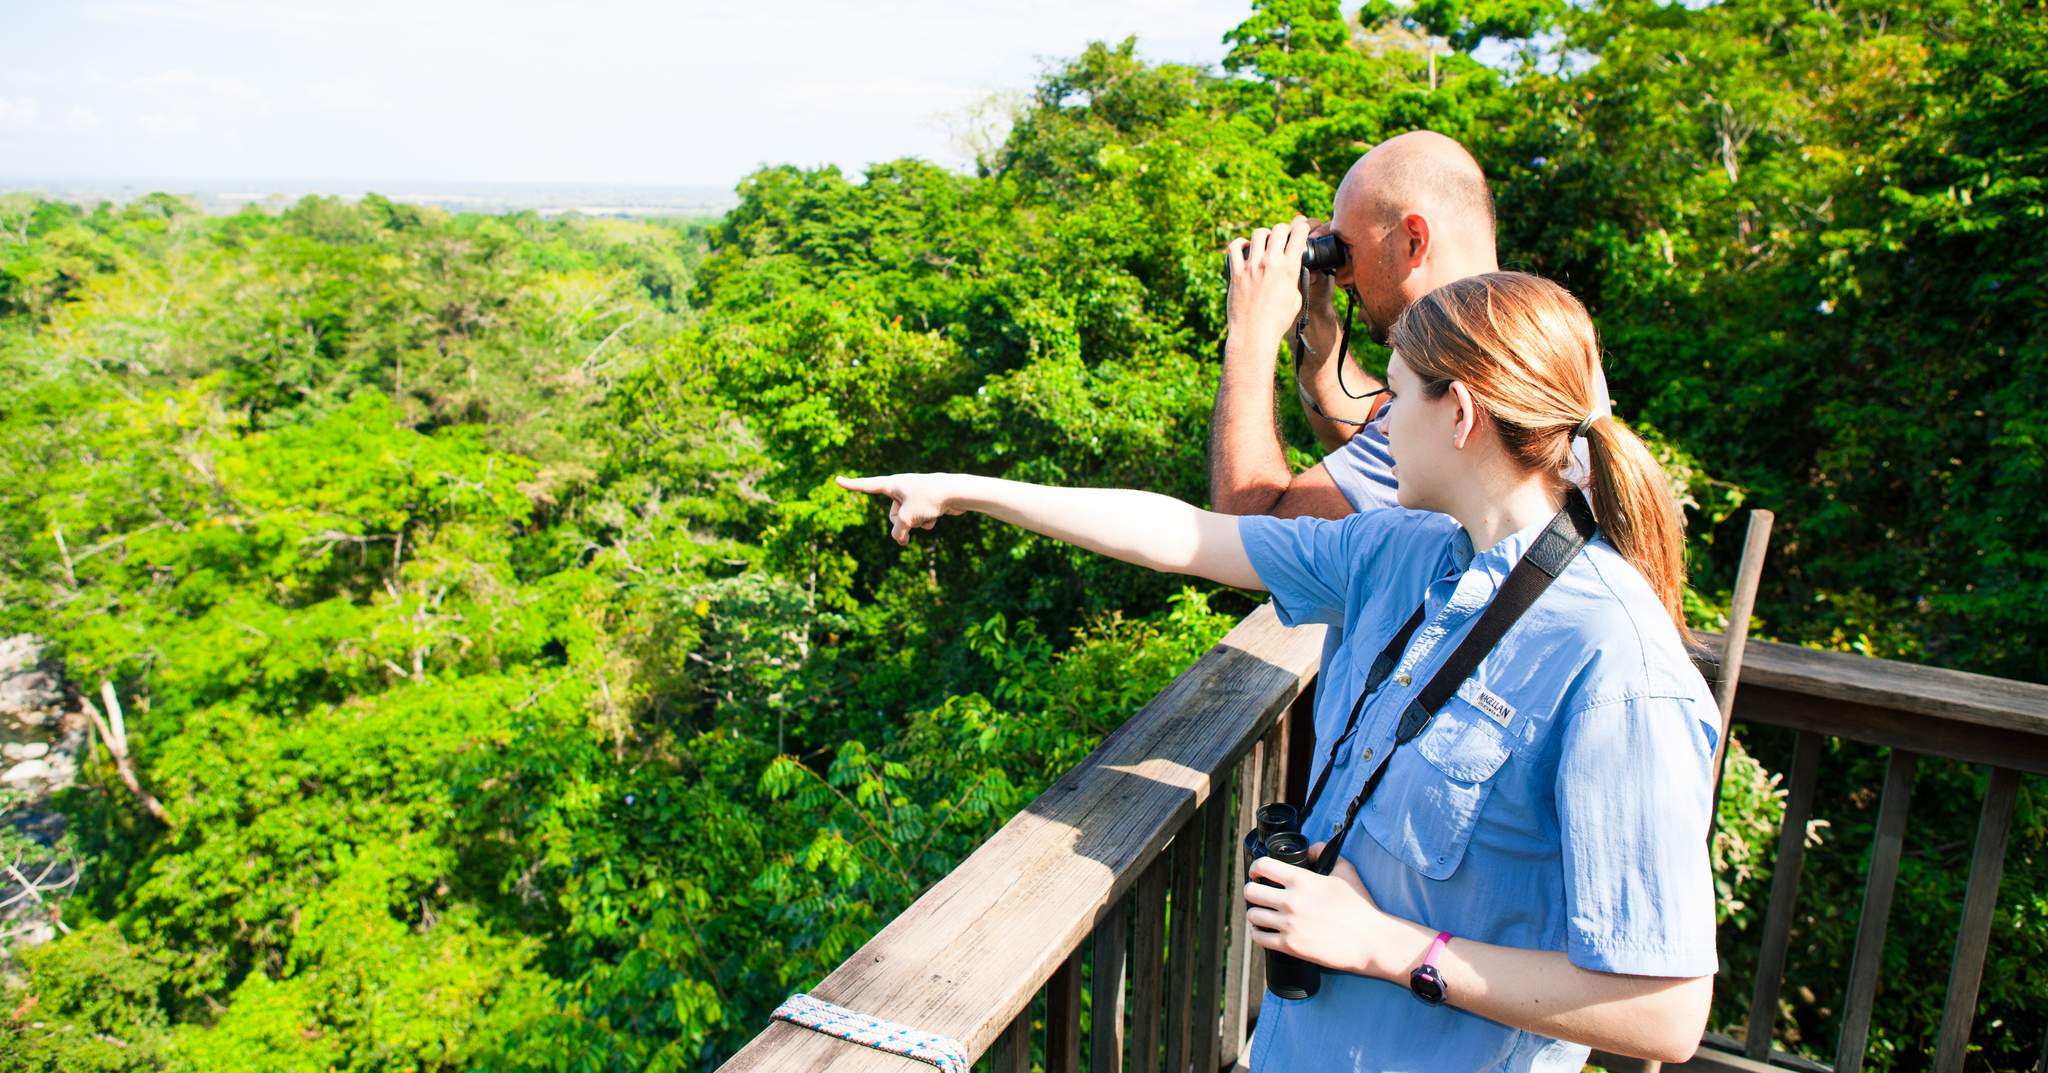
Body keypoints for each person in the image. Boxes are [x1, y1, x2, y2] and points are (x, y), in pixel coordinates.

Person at [838, 272, 1716, 1070]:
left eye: (1395, 393)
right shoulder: (1405, 552)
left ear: (1460, 413)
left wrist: (1385, 945)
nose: (1378, 420)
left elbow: (1665, 1011)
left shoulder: (1616, 663)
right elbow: (1185, 535)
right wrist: (966, 488)